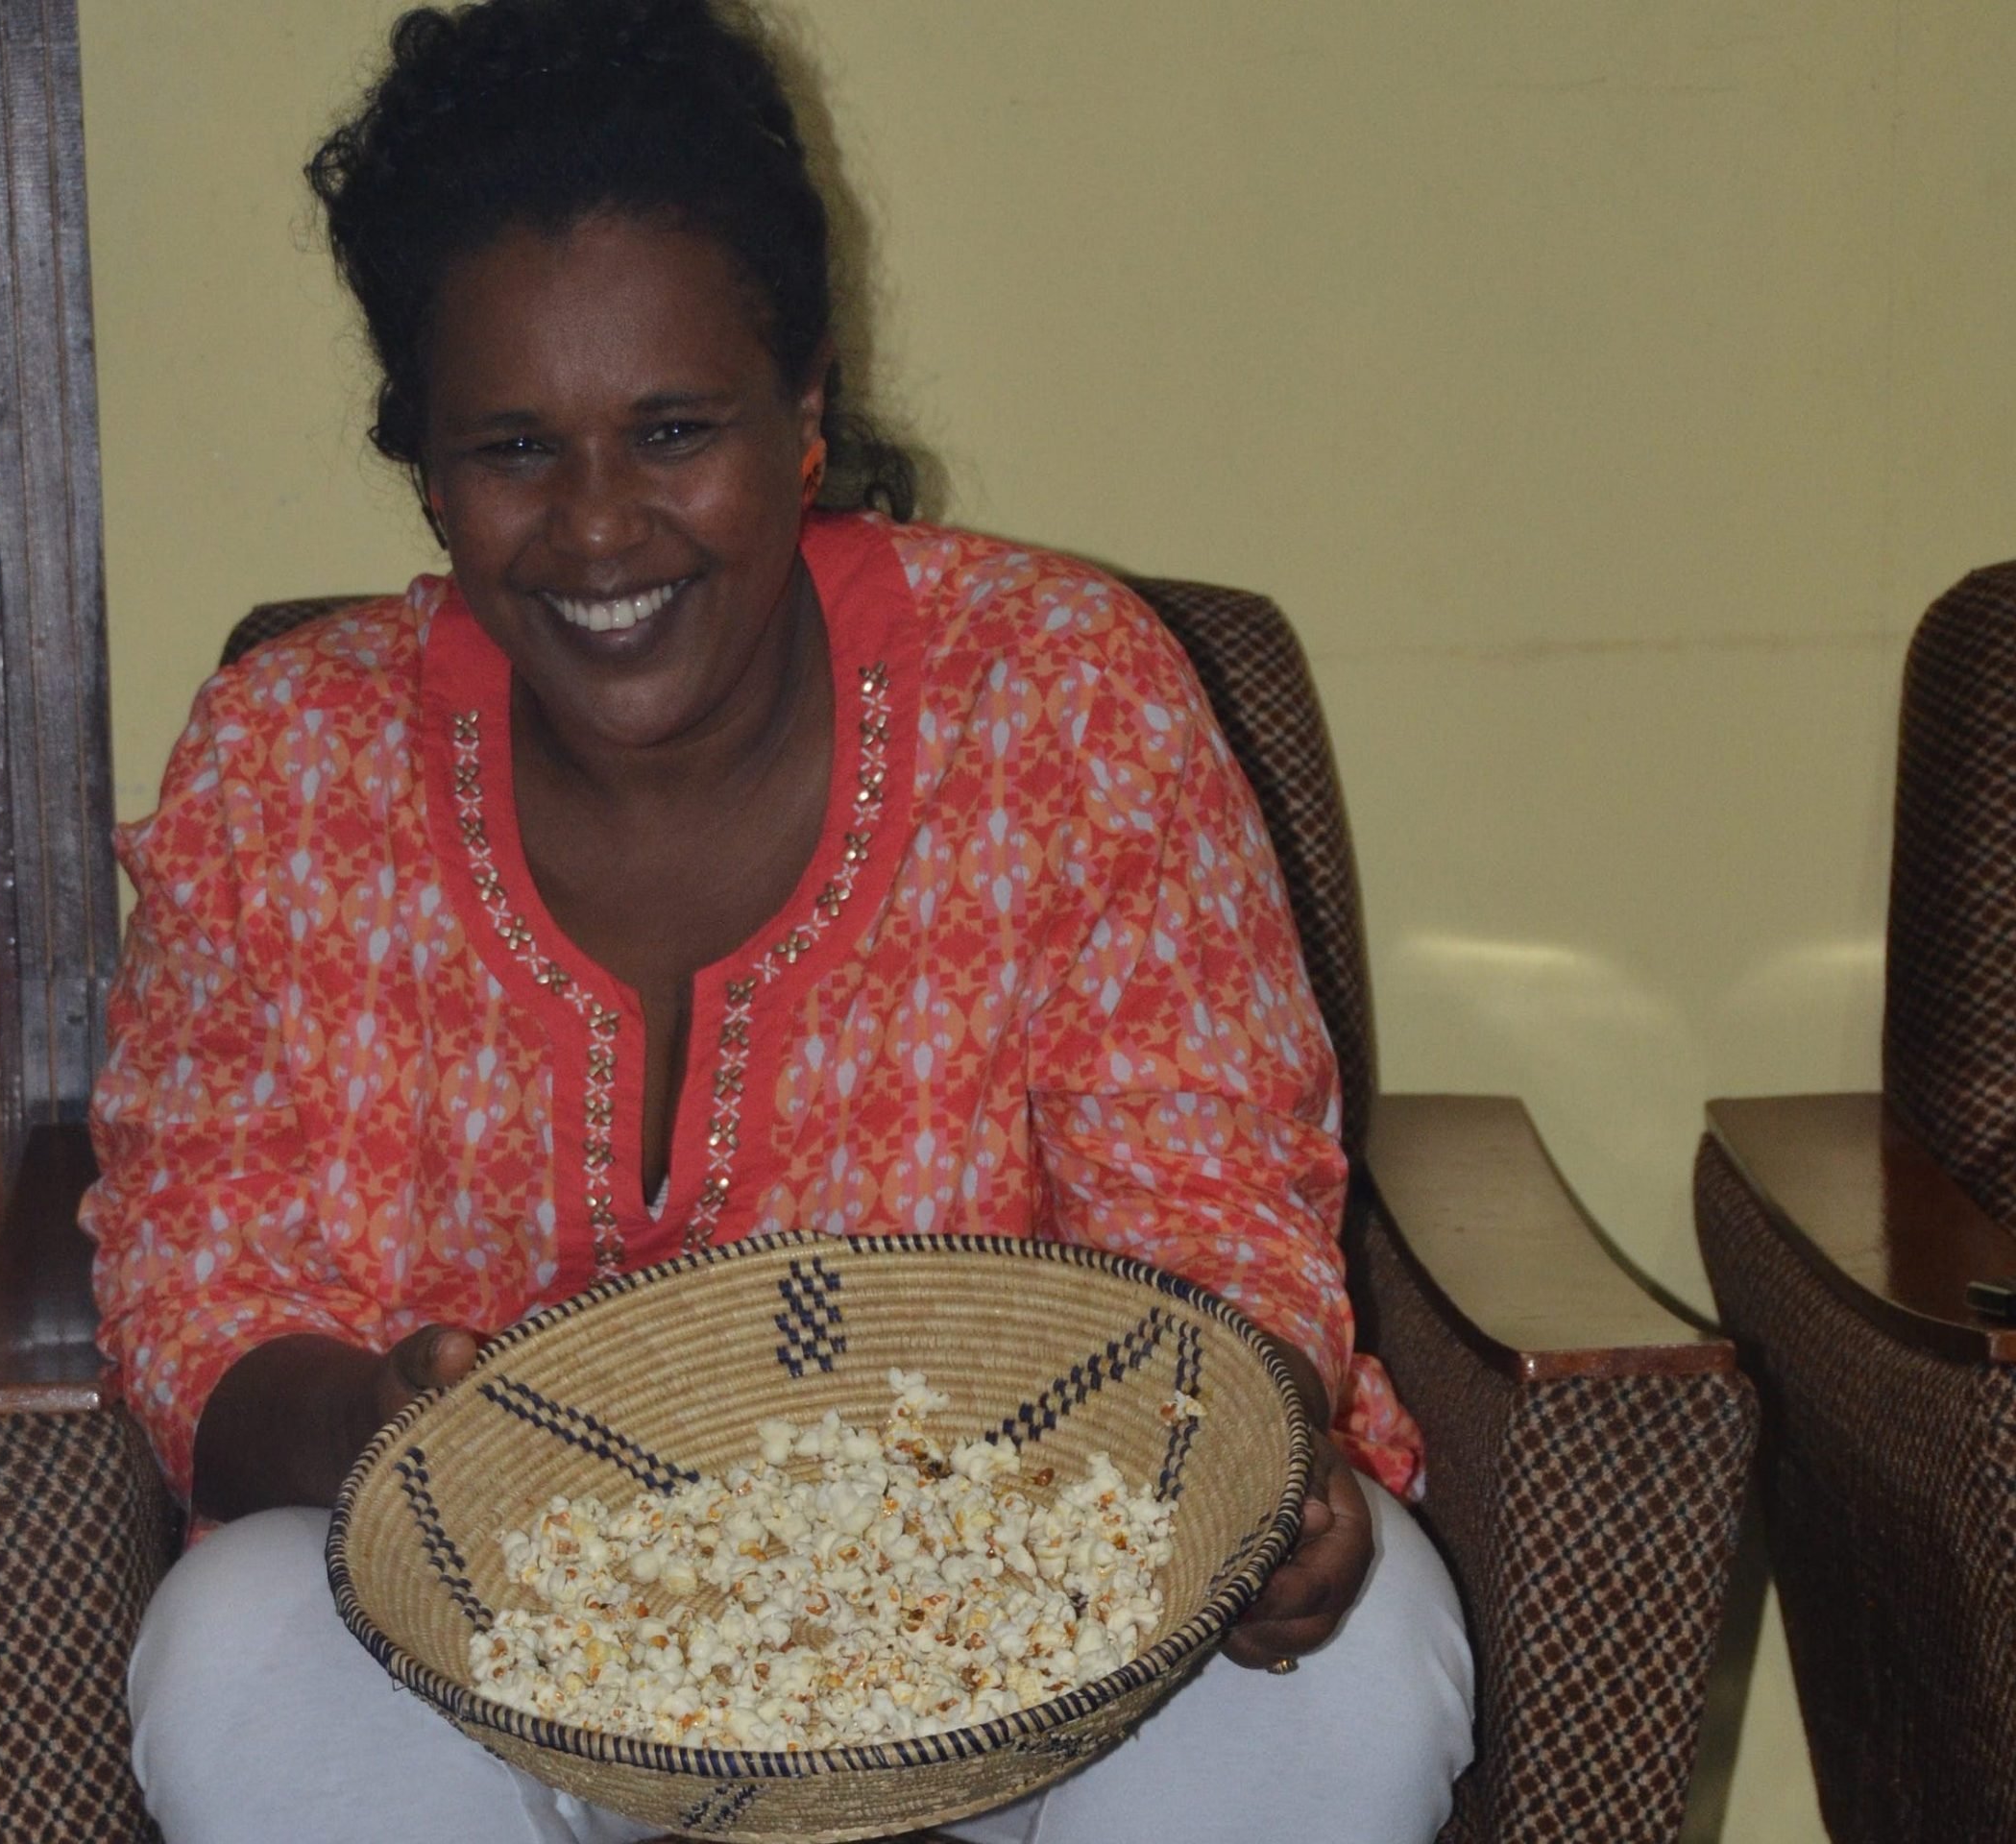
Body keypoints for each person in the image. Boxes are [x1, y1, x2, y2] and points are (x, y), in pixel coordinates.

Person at [84, 1, 1473, 1837]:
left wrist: (1254, 1496)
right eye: (511, 447)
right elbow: (199, 1265)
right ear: (419, 458)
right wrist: (393, 1431)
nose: (598, 530)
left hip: (1026, 1637)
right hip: (508, 1639)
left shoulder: (1060, 701)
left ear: (805, 414)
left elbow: (1218, 1216)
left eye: (673, 431)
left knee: (1349, 1673)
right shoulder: (286, 767)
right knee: (237, 1646)